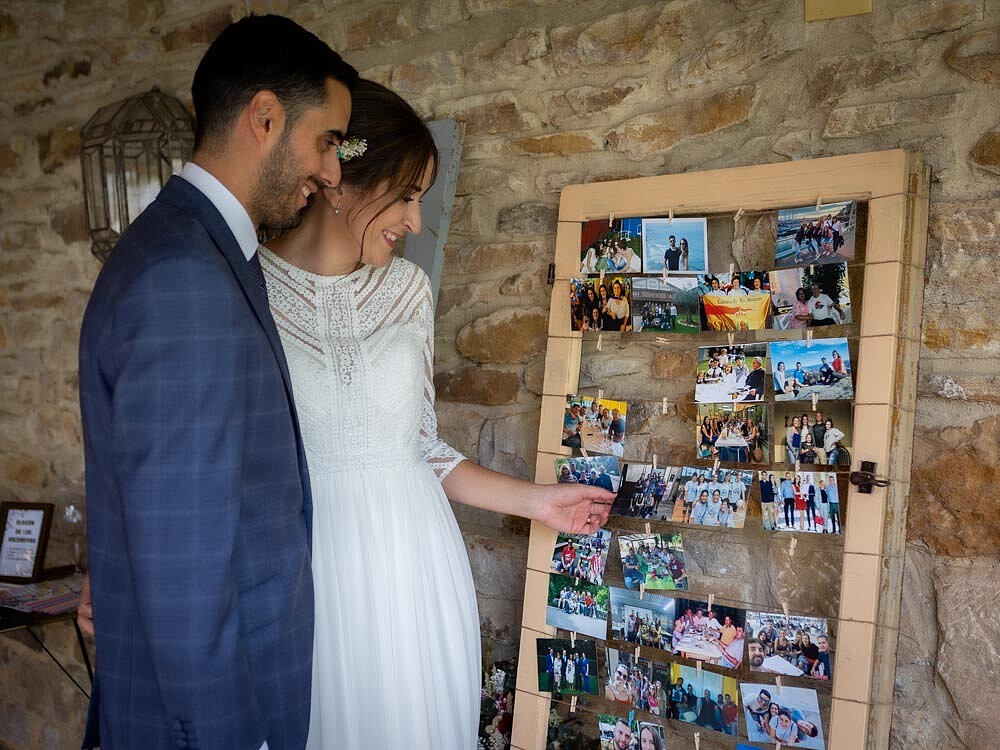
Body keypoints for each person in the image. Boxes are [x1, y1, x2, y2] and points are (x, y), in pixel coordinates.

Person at [261, 80, 614, 748]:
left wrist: (539, 501)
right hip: (307, 569)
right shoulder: (247, 288)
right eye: (406, 194)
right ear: (339, 178)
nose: (416, 222)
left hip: (413, 560)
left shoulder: (406, 290)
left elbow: (421, 447)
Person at [78, 16, 357, 750]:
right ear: (265, 117)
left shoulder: (201, 253)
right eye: (327, 141)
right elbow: (184, 583)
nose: (333, 173)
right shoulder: (183, 279)